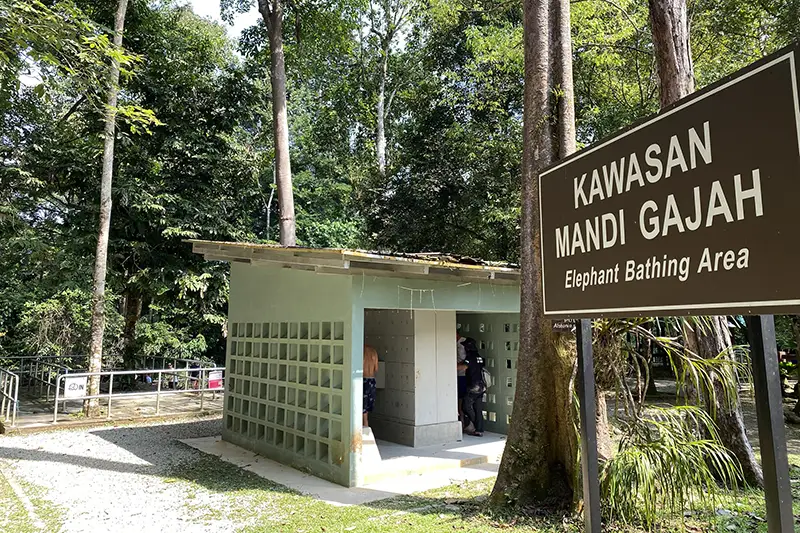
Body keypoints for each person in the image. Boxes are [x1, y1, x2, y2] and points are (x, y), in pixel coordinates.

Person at [458, 337, 486, 437]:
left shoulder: (470, 358)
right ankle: (479, 429)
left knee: (465, 406)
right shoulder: (479, 357)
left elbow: (463, 367)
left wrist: (450, 365)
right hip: (482, 386)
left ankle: (475, 424)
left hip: (473, 386)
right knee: (478, 408)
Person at [363, 344, 379, 427]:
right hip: (372, 380)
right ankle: (366, 427)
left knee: (362, 408)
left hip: (363, 380)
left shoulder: (361, 352)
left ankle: (364, 428)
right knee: (367, 409)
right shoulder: (374, 352)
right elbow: (376, 368)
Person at [456, 333, 467, 423]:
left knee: (461, 398)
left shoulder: (464, 342)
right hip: (456, 374)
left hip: (462, 374)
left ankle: (462, 422)